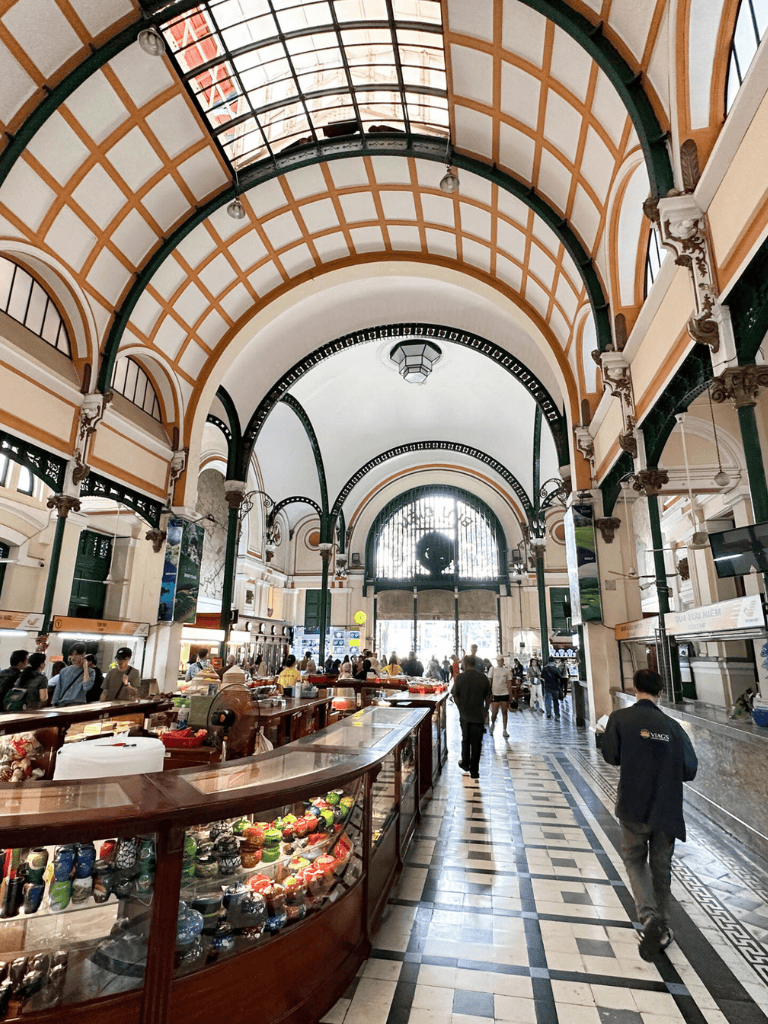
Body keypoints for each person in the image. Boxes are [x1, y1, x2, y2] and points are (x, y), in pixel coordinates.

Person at [601, 668, 698, 961]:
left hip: (633, 803)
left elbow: (610, 755)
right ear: (660, 692)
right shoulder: (674, 727)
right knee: (661, 865)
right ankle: (663, 924)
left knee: (634, 858)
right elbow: (690, 769)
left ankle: (648, 917)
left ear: (635, 689)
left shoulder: (620, 718)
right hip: (666, 807)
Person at [452, 655, 492, 780]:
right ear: (474, 664)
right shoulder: (483, 678)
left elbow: (455, 695)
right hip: (478, 715)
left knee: (465, 739)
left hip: (465, 714)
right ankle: (474, 771)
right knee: (477, 743)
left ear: (465, 664)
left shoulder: (460, 678)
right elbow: (488, 696)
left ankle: (465, 763)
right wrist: (486, 709)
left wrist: (460, 708)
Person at [488, 656, 512, 735]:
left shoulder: (506, 671)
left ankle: (504, 729)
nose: (499, 662)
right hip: (495, 694)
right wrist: (489, 693)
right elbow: (490, 682)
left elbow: (509, 684)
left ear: (503, 661)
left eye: (501, 660)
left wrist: (510, 696)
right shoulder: (492, 669)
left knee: (504, 712)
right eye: (498, 660)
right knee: (494, 713)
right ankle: (493, 724)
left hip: (504, 693)